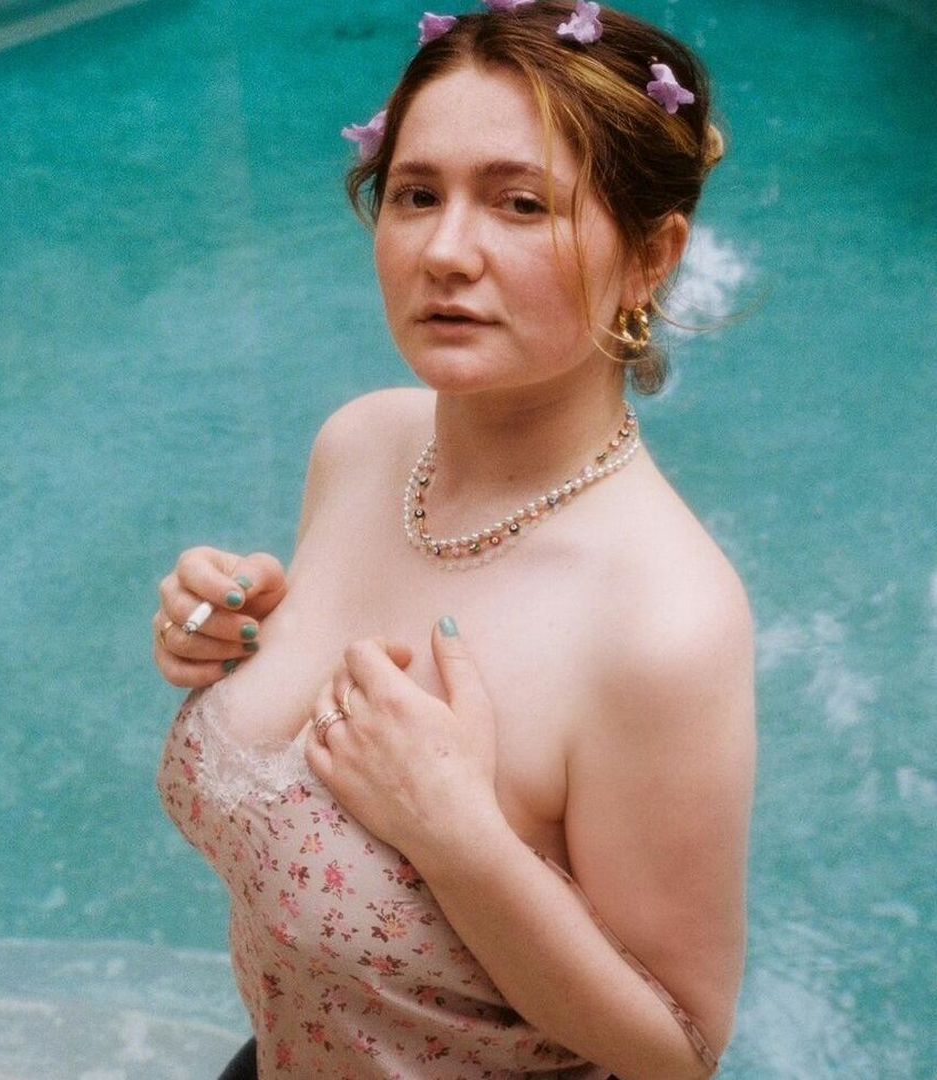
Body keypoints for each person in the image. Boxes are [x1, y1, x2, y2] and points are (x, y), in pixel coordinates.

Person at [154, 3, 756, 1077]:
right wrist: (225, 638)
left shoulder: (662, 621)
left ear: (650, 256)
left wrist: (457, 839)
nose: (444, 252)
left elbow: (679, 1049)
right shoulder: (364, 444)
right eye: (417, 195)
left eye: (521, 204)